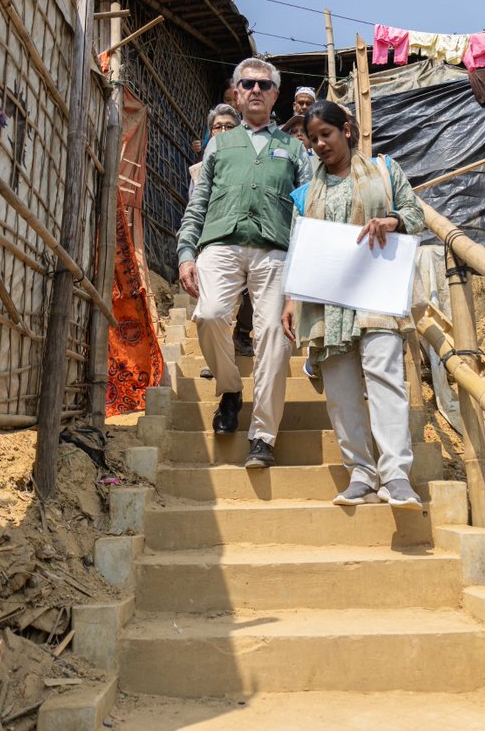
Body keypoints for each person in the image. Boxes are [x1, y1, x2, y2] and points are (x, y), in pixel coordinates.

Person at [281, 100, 424, 510]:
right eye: (313, 139)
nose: (320, 144)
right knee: (340, 391)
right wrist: (293, 300)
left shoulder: (384, 170)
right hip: (327, 301)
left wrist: (392, 220)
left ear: (347, 129)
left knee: (385, 378)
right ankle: (361, 472)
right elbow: (300, 247)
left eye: (326, 134)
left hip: (377, 292)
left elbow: (415, 212)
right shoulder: (308, 192)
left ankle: (397, 477)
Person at [176, 58, 311, 468]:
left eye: (264, 85)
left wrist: (303, 270)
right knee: (211, 314)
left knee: (274, 333)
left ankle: (263, 435)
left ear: (275, 95)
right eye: (247, 84)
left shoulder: (294, 149)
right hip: (220, 244)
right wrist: (186, 252)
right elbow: (198, 204)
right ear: (236, 93)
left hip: (275, 249)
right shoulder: (218, 144)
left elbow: (306, 210)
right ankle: (231, 389)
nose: (255, 90)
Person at [188, 103, 254, 363]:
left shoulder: (252, 161)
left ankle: (243, 332)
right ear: (210, 133)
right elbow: (195, 207)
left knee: (248, 296)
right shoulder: (199, 169)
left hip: (248, 239)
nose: (224, 131)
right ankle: (216, 358)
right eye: (218, 127)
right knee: (213, 305)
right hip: (214, 242)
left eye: (230, 126)